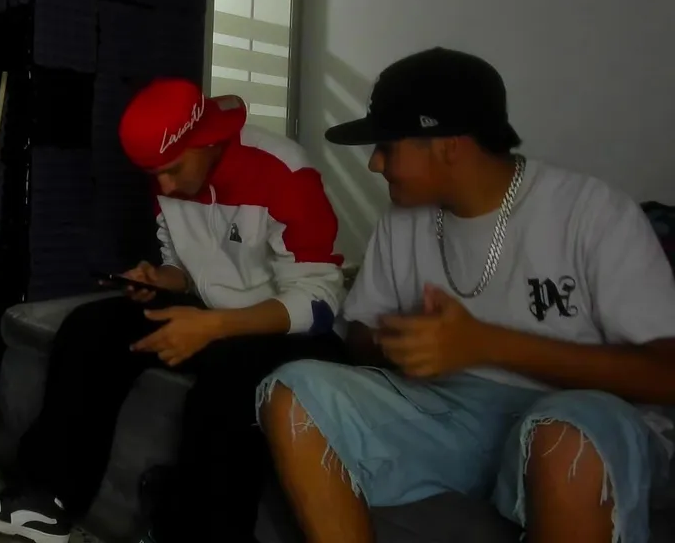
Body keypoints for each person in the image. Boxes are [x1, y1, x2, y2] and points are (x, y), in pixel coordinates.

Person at [257, 48, 675, 543]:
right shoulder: (402, 220)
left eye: (387, 147)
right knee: (293, 393)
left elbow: (665, 374)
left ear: (449, 146)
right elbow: (362, 334)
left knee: (564, 440)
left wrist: (484, 344)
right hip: (452, 410)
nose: (374, 163)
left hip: (584, 413)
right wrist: (403, 343)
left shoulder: (592, 213)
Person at [0, 78, 349, 543]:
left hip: (288, 331)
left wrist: (215, 326)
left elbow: (319, 300)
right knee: (90, 328)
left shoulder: (285, 170)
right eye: (154, 174)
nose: (164, 186)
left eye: (172, 170)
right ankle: (48, 499)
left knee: (229, 380)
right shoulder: (168, 177)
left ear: (209, 141)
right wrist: (160, 279)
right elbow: (185, 270)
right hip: (213, 316)